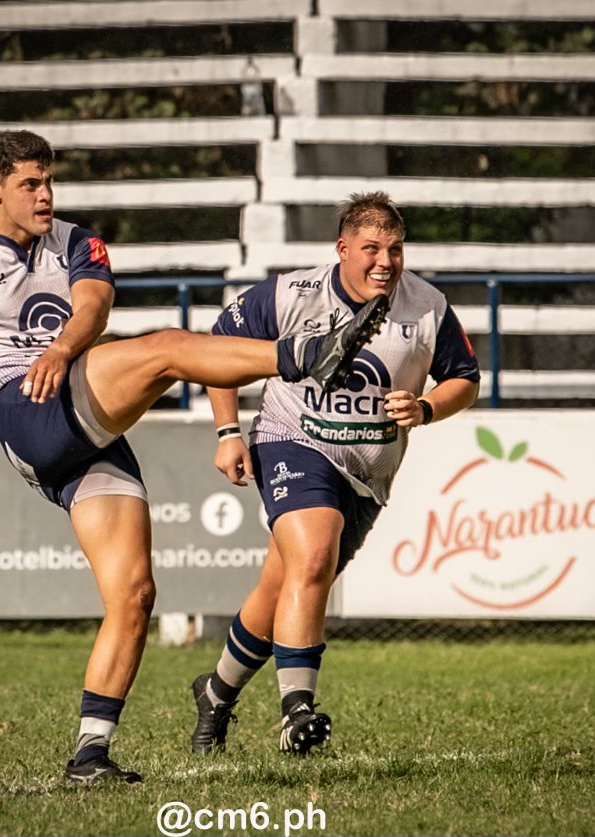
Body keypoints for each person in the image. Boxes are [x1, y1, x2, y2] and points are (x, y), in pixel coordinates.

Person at [0, 130, 388, 784]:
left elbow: (95, 307)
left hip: (82, 422)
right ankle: (303, 355)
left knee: (135, 595)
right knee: (165, 349)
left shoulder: (77, 242)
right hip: (30, 416)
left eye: (49, 180)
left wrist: (61, 350)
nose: (46, 193)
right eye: (30, 184)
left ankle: (90, 753)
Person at [188, 192, 481, 757]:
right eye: (371, 248)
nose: (385, 261)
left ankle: (216, 692)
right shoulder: (292, 294)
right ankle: (297, 711)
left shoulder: (429, 306)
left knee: (286, 586)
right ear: (342, 249)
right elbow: (213, 352)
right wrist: (227, 433)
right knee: (315, 553)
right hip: (290, 440)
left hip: (367, 474)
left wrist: (427, 408)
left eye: (395, 249)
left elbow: (465, 378)